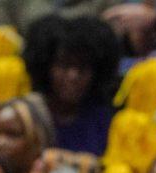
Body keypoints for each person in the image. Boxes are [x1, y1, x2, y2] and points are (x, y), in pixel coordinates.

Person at [23, 15, 121, 157]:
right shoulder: (27, 114)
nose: (73, 76)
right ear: (45, 67)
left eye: (82, 67)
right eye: (64, 65)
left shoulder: (104, 118)